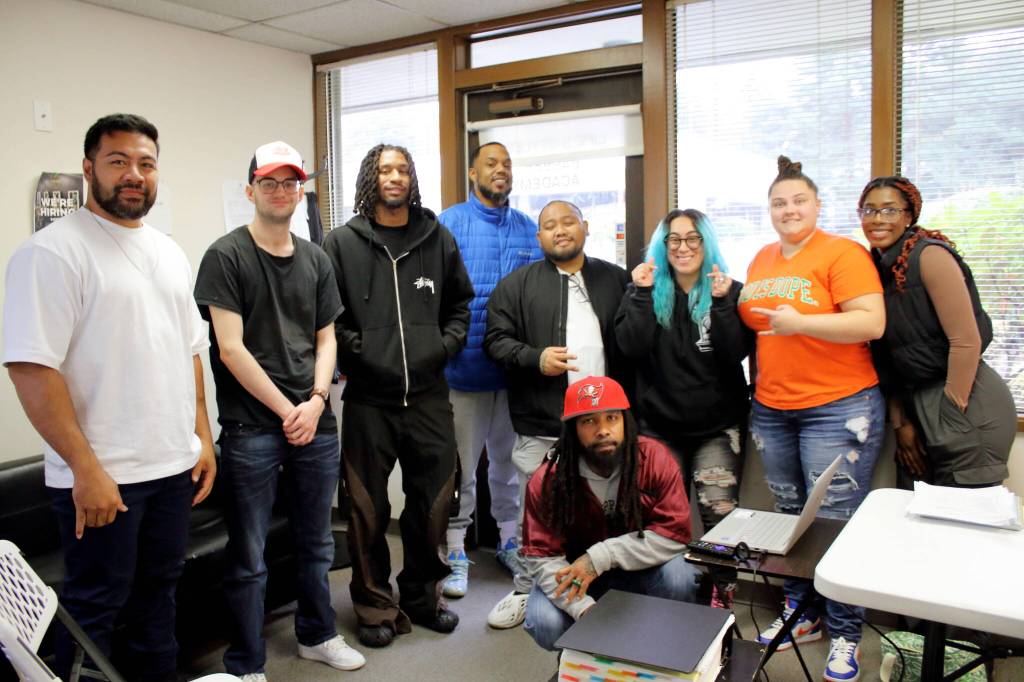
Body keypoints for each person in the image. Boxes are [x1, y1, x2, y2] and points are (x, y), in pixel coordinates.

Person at [3, 113, 216, 681]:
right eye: (118, 161)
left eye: (145, 164)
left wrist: (201, 436)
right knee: (94, 610)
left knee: (159, 602)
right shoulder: (52, 253)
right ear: (88, 168)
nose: (133, 174)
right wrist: (84, 468)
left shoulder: (169, 251)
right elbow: (31, 368)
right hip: (104, 477)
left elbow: (189, 350)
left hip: (171, 468)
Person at [194, 141, 363, 679]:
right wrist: (290, 410)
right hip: (252, 428)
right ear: (250, 191)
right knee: (250, 556)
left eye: (291, 183)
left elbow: (326, 337)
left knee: (316, 542)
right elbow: (230, 349)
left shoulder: (316, 259)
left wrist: (315, 403)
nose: (282, 191)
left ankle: (317, 634)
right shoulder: (226, 256)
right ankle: (246, 663)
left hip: (315, 419)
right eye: (269, 182)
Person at [737, 156, 886, 682]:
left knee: (836, 522)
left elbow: (872, 321)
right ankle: (800, 615)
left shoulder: (841, 253)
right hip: (773, 407)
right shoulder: (760, 259)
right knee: (789, 516)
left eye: (799, 200)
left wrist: (802, 321)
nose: (789, 209)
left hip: (838, 406)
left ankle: (845, 633)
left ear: (817, 204)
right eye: (779, 202)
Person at [322, 143, 474, 648]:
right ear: (371, 178)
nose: (395, 177)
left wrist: (443, 347)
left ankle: (420, 597)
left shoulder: (437, 237)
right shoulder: (341, 243)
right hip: (369, 399)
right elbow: (329, 317)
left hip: (430, 397)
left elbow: (460, 304)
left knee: (432, 503)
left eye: (403, 169)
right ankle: (373, 605)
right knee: (365, 509)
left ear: (412, 177)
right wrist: (360, 352)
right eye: (385, 169)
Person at [484, 199, 630, 629]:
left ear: (584, 227)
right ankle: (527, 591)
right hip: (543, 424)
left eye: (568, 222)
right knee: (539, 518)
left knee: (610, 510)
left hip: (607, 428)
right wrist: (534, 358)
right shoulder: (516, 286)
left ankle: (610, 589)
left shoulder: (614, 279)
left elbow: (636, 341)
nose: (560, 230)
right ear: (539, 237)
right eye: (550, 225)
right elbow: (495, 341)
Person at [614, 208, 752, 610]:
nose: (683, 247)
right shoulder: (644, 289)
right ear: (663, 246)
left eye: (693, 238)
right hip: (659, 428)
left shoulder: (729, 290)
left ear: (706, 244)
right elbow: (630, 346)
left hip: (717, 429)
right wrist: (640, 293)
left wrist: (724, 303)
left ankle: (720, 601)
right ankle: (665, 600)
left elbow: (734, 354)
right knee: (660, 522)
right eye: (673, 239)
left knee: (720, 521)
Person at [520, 375, 700, 651]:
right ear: (573, 430)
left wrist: (601, 556)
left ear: (625, 422)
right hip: (577, 578)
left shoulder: (655, 459)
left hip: (640, 570)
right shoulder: (548, 481)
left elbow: (674, 535)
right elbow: (543, 557)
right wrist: (582, 609)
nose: (602, 430)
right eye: (589, 421)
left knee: (681, 576)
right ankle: (584, 656)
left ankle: (660, 652)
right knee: (545, 622)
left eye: (611, 419)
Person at [858, 176, 1015, 488]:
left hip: (965, 400)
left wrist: (951, 415)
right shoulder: (877, 268)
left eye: (889, 210)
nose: (877, 219)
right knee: (915, 512)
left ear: (908, 215)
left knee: (965, 521)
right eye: (869, 210)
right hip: (916, 404)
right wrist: (902, 422)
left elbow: (967, 342)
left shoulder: (930, 256)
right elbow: (889, 358)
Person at [437, 142, 542, 597]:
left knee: (509, 465)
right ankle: (456, 548)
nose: (500, 171)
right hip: (465, 371)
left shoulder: (527, 229)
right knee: (462, 467)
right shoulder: (451, 223)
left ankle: (509, 539)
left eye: (507, 164)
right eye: (491, 164)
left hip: (515, 376)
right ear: (472, 171)